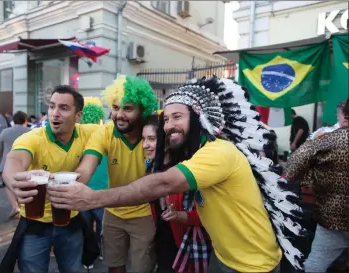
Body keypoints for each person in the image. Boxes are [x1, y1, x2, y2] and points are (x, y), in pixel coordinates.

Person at [42, 77, 314, 272]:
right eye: (167, 119)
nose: (169, 125)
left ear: (198, 118)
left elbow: (162, 182)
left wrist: (92, 199)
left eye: (177, 117)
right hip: (224, 257)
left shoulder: (219, 153)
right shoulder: (192, 151)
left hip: (254, 265)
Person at [0, 85, 99, 273]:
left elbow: (114, 130)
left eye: (63, 108)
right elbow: (14, 160)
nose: (55, 113)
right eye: (52, 106)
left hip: (71, 220)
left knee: (73, 269)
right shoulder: (33, 138)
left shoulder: (89, 132)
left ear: (78, 116)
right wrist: (14, 181)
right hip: (34, 223)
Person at [77, 75, 159, 273]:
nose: (119, 114)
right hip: (113, 213)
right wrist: (73, 185)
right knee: (114, 267)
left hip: (146, 215)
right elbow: (86, 166)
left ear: (143, 109)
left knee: (143, 269)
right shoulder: (105, 133)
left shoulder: (155, 131)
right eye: (115, 107)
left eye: (128, 108)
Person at [285, 100, 349, 273]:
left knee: (315, 266)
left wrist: (312, 176)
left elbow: (291, 169)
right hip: (331, 222)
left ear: (343, 117)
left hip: (331, 219)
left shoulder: (325, 140)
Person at [143, 114, 211, 273]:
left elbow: (208, 214)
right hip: (162, 243)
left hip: (185, 247)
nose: (145, 145)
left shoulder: (188, 169)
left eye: (151, 139)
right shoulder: (152, 167)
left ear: (168, 139)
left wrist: (181, 216)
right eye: (143, 139)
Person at [79, 97, 109, 270]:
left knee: (85, 226)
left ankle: (87, 258)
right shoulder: (105, 131)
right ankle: (102, 251)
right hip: (103, 189)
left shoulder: (77, 135)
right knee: (102, 225)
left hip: (83, 188)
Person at [0, 111, 31, 218]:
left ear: (13, 120)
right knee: (24, 185)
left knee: (8, 185)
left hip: (6, 163)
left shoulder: (5, 132)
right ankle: (24, 207)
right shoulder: (31, 131)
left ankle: (15, 206)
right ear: (25, 120)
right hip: (26, 163)